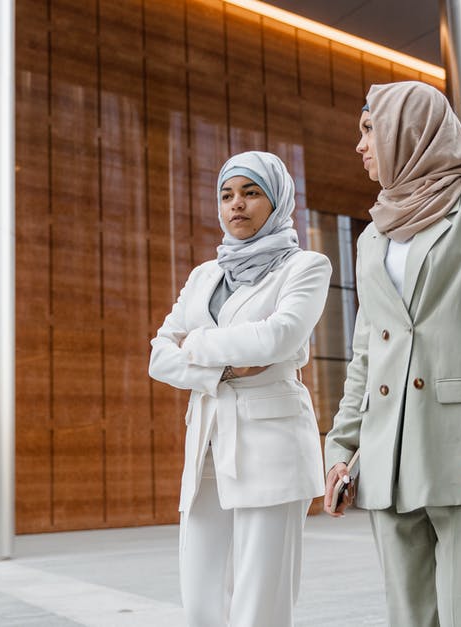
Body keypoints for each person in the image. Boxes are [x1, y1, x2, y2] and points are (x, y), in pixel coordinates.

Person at [323, 81, 461, 627]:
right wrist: (341, 448)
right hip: (386, 457)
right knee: (409, 619)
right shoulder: (373, 235)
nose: (361, 145)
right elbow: (365, 352)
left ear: (406, 131)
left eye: (369, 130)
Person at [149, 150, 332, 627]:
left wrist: (196, 343)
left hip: (270, 443)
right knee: (200, 594)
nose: (237, 205)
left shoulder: (306, 266)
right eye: (227, 195)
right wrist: (223, 369)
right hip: (206, 444)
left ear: (277, 201)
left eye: (251, 193)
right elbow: (158, 356)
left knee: (260, 598)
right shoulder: (204, 276)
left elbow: (278, 337)